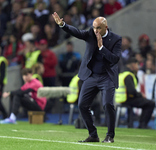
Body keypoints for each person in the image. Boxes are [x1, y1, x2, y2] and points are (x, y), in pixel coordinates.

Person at [52, 12, 122, 143]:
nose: (95, 30)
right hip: (91, 76)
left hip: (107, 77)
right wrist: (62, 25)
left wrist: (102, 47)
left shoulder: (116, 39)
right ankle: (93, 135)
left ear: (105, 28)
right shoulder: (90, 33)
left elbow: (115, 59)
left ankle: (110, 136)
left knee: (107, 104)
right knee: (82, 105)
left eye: (98, 28)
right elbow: (77, 32)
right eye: (94, 27)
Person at [115, 58, 155, 129]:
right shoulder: (128, 75)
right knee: (150, 103)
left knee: (145, 102)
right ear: (133, 64)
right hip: (127, 99)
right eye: (137, 64)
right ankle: (142, 125)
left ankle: (141, 124)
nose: (138, 67)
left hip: (121, 98)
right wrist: (140, 94)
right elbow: (132, 92)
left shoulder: (122, 73)